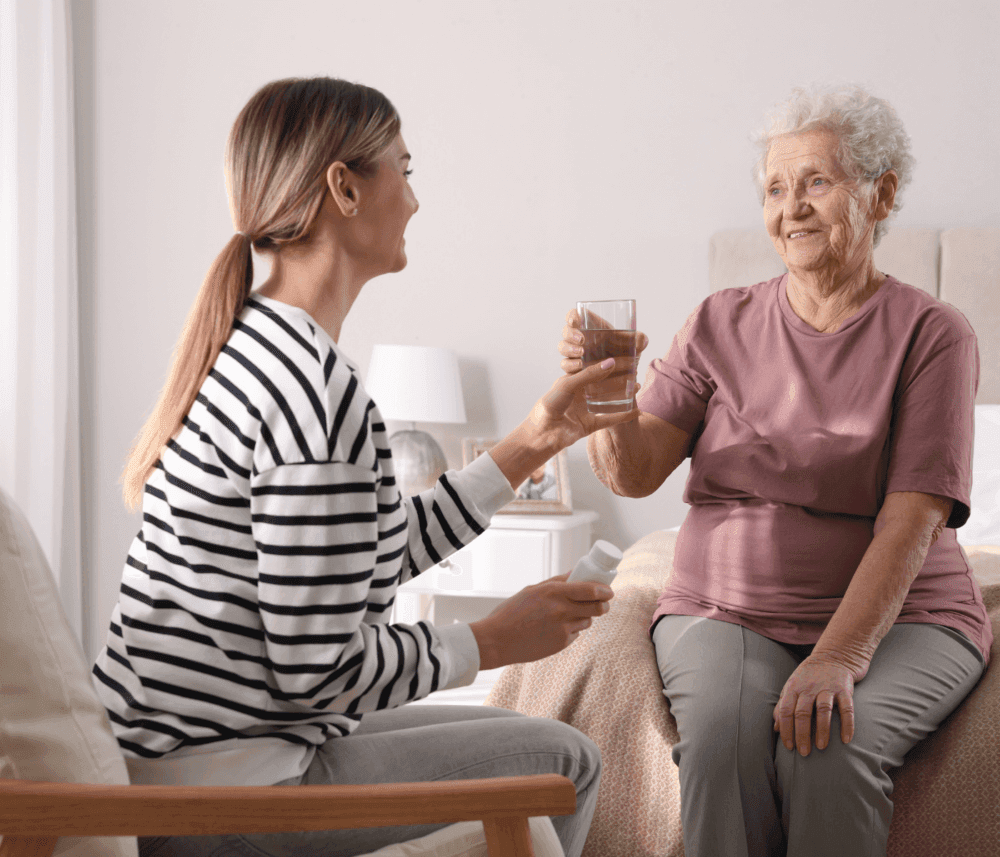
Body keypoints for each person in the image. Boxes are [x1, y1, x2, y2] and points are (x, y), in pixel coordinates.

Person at [93, 77, 635, 857]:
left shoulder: (251, 347)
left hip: (188, 764)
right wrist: (489, 639)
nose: (414, 201)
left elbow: (355, 556)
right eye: (404, 171)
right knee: (567, 760)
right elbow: (319, 672)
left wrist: (538, 438)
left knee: (528, 734)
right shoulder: (314, 390)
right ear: (344, 188)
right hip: (232, 793)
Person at [559, 84, 990, 857]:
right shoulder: (719, 319)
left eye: (816, 182)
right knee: (723, 743)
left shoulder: (933, 334)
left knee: (830, 749)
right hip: (724, 608)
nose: (792, 208)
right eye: (775, 189)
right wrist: (605, 399)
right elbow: (634, 473)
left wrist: (839, 655)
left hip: (907, 621)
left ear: (880, 192)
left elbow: (912, 518)